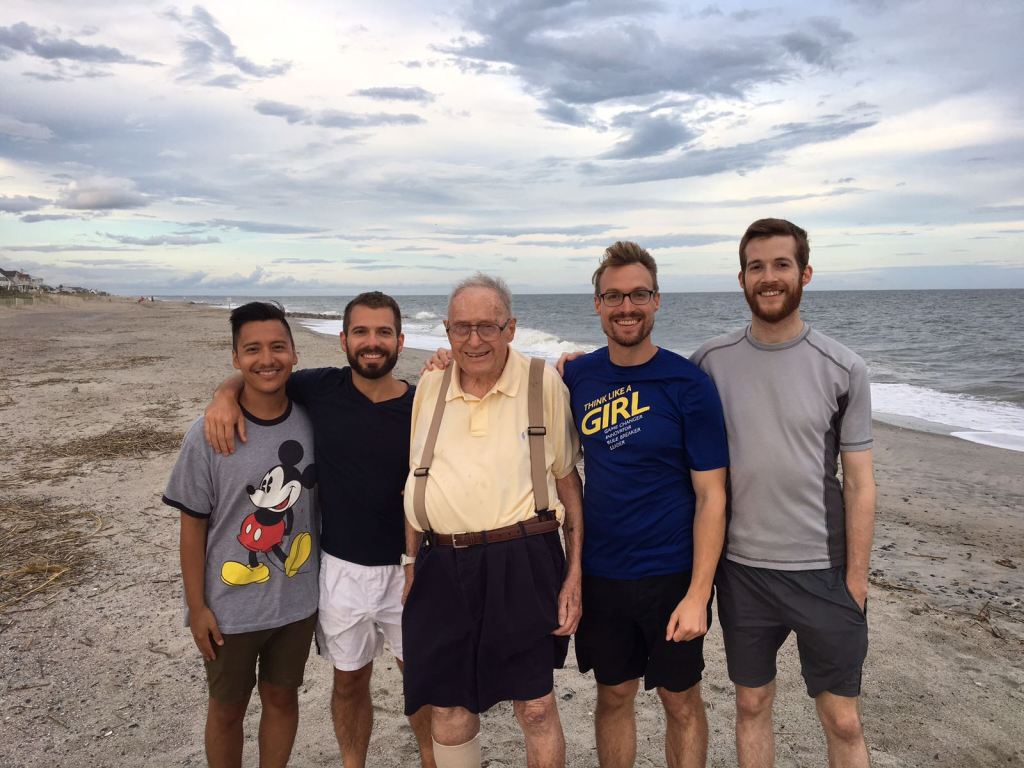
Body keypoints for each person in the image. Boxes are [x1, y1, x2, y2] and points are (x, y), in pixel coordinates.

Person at [203, 292, 434, 768]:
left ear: (401, 340)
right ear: (344, 339)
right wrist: (223, 396)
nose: (372, 342)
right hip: (338, 568)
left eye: (384, 332)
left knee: (422, 683)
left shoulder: (423, 404)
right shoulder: (320, 388)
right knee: (348, 681)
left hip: (410, 568)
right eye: (361, 332)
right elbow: (262, 373)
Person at [691, 218, 876, 768]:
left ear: (805, 273)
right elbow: (649, 382)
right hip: (743, 571)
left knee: (842, 719)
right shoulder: (709, 363)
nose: (768, 277)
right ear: (741, 278)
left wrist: (857, 582)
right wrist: (575, 366)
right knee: (751, 704)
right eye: (756, 266)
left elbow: (860, 483)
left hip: (824, 568)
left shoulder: (844, 368)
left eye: (781, 264)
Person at [402, 273, 584, 768]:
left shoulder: (542, 382)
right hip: (441, 562)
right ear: (446, 331)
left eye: (488, 326)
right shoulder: (431, 384)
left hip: (523, 559)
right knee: (448, 706)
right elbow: (417, 477)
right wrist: (411, 561)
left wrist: (574, 576)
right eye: (461, 328)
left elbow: (569, 484)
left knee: (537, 707)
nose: (474, 340)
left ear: (511, 328)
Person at [561, 242, 729, 768]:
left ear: (657, 300)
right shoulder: (577, 377)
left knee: (680, 700)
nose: (626, 307)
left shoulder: (689, 384)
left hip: (671, 573)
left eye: (638, 294)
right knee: (614, 695)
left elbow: (712, 496)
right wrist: (446, 359)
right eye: (614, 296)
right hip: (603, 572)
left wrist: (699, 593)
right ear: (597, 305)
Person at [164, 301, 318, 768]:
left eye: (277, 347)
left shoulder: (314, 421)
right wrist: (196, 608)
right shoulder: (209, 432)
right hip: (228, 610)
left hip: (296, 603)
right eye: (252, 349)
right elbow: (193, 527)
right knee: (227, 710)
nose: (266, 359)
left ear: (294, 353)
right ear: (235, 358)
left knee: (282, 699)